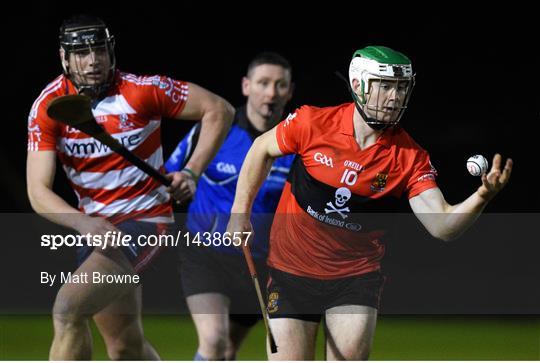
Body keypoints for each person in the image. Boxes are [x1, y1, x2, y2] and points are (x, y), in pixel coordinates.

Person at [227, 45, 513, 360]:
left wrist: (481, 196)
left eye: (402, 88)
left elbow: (442, 225)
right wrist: (240, 212)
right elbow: (260, 148)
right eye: (386, 86)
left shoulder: (409, 158)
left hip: (354, 280)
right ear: (359, 85)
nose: (395, 97)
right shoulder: (312, 123)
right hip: (290, 273)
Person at [26, 14, 234, 360]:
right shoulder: (48, 108)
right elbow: (38, 192)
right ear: (64, 57)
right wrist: (84, 223)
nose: (93, 61)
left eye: (100, 50)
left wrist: (193, 172)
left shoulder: (142, 91)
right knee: (125, 347)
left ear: (112, 52)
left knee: (68, 309)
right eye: (81, 53)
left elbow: (218, 110)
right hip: (97, 230)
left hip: (146, 222)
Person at [165, 52, 294, 360]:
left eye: (280, 85)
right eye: (263, 83)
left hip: (263, 266)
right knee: (214, 342)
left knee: (227, 351)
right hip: (207, 256)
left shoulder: (296, 143)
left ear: (290, 92)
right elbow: (171, 176)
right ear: (246, 86)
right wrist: (179, 183)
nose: (271, 93)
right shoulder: (216, 131)